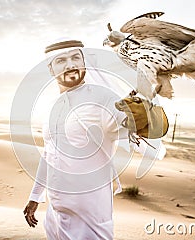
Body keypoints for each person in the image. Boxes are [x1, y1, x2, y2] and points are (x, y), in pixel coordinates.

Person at [23, 39, 165, 239]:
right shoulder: (52, 106)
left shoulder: (102, 98)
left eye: (75, 58)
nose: (71, 64)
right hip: (55, 211)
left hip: (90, 213)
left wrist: (143, 117)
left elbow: (126, 123)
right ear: (51, 69)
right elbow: (49, 154)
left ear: (84, 63)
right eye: (61, 60)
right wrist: (35, 196)